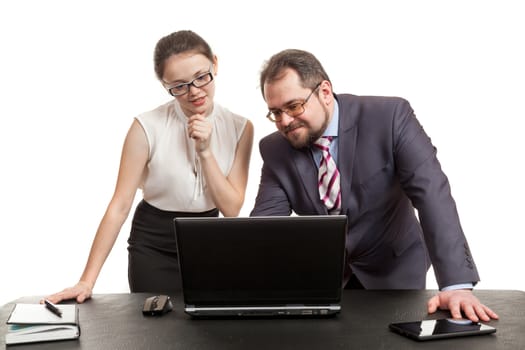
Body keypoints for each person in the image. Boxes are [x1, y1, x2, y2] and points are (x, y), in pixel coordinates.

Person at [250, 48, 498, 322]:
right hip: (328, 282)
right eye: (275, 112)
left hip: (395, 270)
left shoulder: (389, 117)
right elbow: (265, 227)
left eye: (294, 106)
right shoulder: (275, 149)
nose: (284, 121)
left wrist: (456, 285)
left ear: (324, 91)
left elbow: (432, 194)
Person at [45, 30, 253, 303]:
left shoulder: (241, 128)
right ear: (165, 85)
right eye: (179, 86)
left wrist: (205, 151)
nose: (195, 92)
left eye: (202, 77)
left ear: (215, 64)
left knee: (206, 333)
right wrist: (86, 281)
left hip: (207, 241)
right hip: (153, 242)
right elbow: (120, 205)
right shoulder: (146, 126)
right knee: (155, 330)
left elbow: (232, 208)